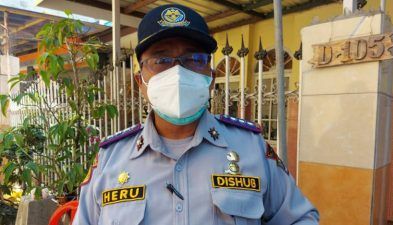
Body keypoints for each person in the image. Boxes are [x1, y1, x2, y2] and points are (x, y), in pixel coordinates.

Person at [72, 4, 319, 225]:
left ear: (210, 78)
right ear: (141, 81)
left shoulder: (250, 148)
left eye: (194, 58)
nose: (178, 71)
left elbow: (300, 218)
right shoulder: (110, 160)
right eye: (162, 59)